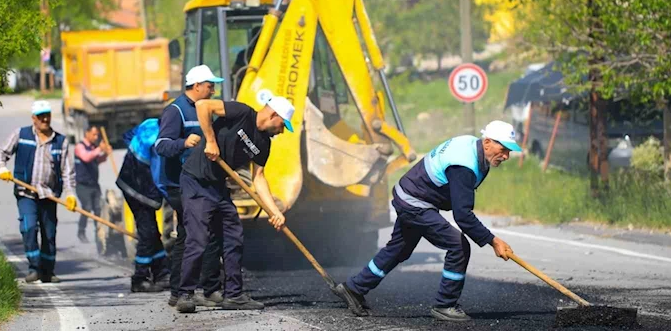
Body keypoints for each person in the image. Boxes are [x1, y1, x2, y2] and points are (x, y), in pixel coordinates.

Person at [335, 120, 519, 322]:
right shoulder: (464, 165)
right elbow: (463, 216)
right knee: (458, 245)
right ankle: (445, 304)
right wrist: (493, 241)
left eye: (509, 151)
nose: (506, 156)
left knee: (399, 249)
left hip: (410, 194)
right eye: (503, 149)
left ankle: (353, 288)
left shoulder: (471, 145)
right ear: (487, 143)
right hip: (415, 202)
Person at [176, 93, 294, 313]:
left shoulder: (263, 144)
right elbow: (203, 105)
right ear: (273, 115)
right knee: (198, 238)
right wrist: (210, 141)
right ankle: (185, 293)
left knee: (234, 236)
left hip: (219, 187)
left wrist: (274, 211)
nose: (282, 130)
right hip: (196, 180)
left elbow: (258, 178)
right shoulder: (241, 112)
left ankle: (234, 295)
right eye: (282, 124)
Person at [154, 65, 225, 308]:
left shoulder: (208, 109)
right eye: (209, 85)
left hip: (202, 180)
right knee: (192, 235)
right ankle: (181, 292)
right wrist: (183, 142)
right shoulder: (176, 111)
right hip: (179, 184)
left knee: (209, 232)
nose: (213, 89)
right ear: (196, 86)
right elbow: (161, 146)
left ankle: (208, 288)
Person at [0, 100, 77, 284]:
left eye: (47, 115)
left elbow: (68, 171)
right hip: (26, 192)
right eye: (41, 116)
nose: (45, 119)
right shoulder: (21, 134)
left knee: (49, 233)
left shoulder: (60, 141)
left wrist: (70, 194)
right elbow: (1, 152)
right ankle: (34, 267)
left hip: (49, 194)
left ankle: (48, 271)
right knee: (29, 227)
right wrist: (2, 167)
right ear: (33, 118)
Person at [116, 119, 170, 293]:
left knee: (152, 231)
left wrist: (135, 155)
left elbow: (127, 136)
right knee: (147, 233)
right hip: (140, 189)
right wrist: (171, 197)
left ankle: (161, 273)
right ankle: (139, 278)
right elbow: (160, 175)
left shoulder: (150, 123)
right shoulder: (159, 142)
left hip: (126, 179)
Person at [74, 126, 111, 243]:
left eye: (97, 135)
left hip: (94, 184)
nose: (96, 137)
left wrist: (106, 153)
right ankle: (81, 231)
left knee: (98, 209)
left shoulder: (94, 147)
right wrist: (99, 149)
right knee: (87, 208)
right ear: (87, 133)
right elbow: (86, 157)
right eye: (94, 134)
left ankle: (99, 235)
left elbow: (97, 160)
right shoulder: (80, 147)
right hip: (82, 185)